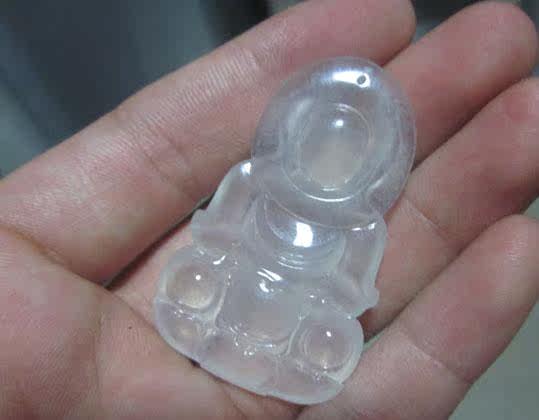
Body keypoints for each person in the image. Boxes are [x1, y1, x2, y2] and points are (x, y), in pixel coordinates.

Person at [0, 0, 538, 418]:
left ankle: (293, 359)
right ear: (297, 133)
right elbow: (214, 231)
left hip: (301, 301)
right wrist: (222, 248)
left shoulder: (361, 223)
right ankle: (204, 322)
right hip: (239, 273)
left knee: (332, 336)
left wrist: (335, 292)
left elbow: (355, 288)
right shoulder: (255, 178)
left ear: (371, 166)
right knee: (194, 275)